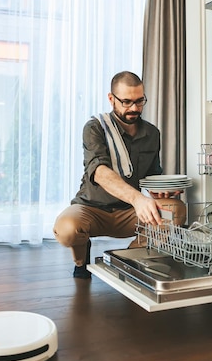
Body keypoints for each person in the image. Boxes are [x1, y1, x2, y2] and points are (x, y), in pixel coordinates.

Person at [53, 71, 171, 279]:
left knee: (175, 210)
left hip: (129, 212)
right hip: (92, 209)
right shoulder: (95, 127)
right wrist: (137, 198)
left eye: (139, 101)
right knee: (67, 229)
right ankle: (81, 260)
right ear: (111, 99)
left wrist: (163, 190)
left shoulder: (152, 133)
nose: (134, 108)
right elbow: (99, 173)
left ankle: (127, 260)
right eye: (126, 102)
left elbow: (152, 175)